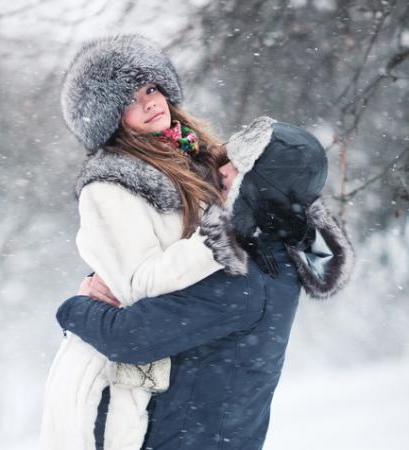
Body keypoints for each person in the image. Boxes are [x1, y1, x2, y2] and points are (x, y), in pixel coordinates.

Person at [58, 116, 355, 449]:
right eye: (229, 160)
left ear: (263, 188)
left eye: (240, 169)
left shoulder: (243, 279)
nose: (224, 171)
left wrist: (77, 307)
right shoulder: (277, 251)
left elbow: (129, 337)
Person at [40, 34, 249, 450]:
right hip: (113, 379)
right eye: (130, 100)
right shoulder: (110, 185)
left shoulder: (194, 157)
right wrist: (223, 231)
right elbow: (143, 281)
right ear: (109, 119)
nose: (150, 102)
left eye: (151, 88)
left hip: (169, 360)